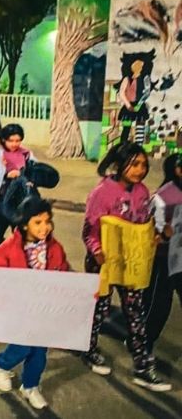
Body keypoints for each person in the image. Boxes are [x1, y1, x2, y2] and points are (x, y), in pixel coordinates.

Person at [81, 142, 170, 391]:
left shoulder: (143, 192)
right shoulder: (101, 193)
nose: (140, 170)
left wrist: (156, 236)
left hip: (130, 265)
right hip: (105, 263)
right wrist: (97, 253)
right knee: (99, 309)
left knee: (136, 313)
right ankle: (88, 349)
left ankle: (142, 367)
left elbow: (143, 224)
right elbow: (89, 230)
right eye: (135, 164)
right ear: (119, 164)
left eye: (143, 165)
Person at [0, 197, 70, 410]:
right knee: (22, 346)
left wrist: (84, 291)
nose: (45, 227)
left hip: (43, 310)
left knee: (39, 352)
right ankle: (1, 364)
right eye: (38, 222)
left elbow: (64, 272)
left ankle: (30, 385)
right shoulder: (7, 249)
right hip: (18, 311)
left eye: (48, 221)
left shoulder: (55, 248)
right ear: (24, 224)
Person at [145, 153, 182, 353]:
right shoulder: (163, 196)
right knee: (160, 304)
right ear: (178, 171)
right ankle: (144, 344)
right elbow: (153, 226)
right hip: (166, 259)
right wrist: (163, 232)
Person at [0, 123, 33, 263]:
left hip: (19, 200)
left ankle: (18, 261)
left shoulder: (25, 153)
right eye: (11, 140)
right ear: (3, 139)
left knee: (19, 232)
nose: (14, 144)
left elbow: (30, 173)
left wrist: (28, 180)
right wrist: (6, 175)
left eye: (18, 140)